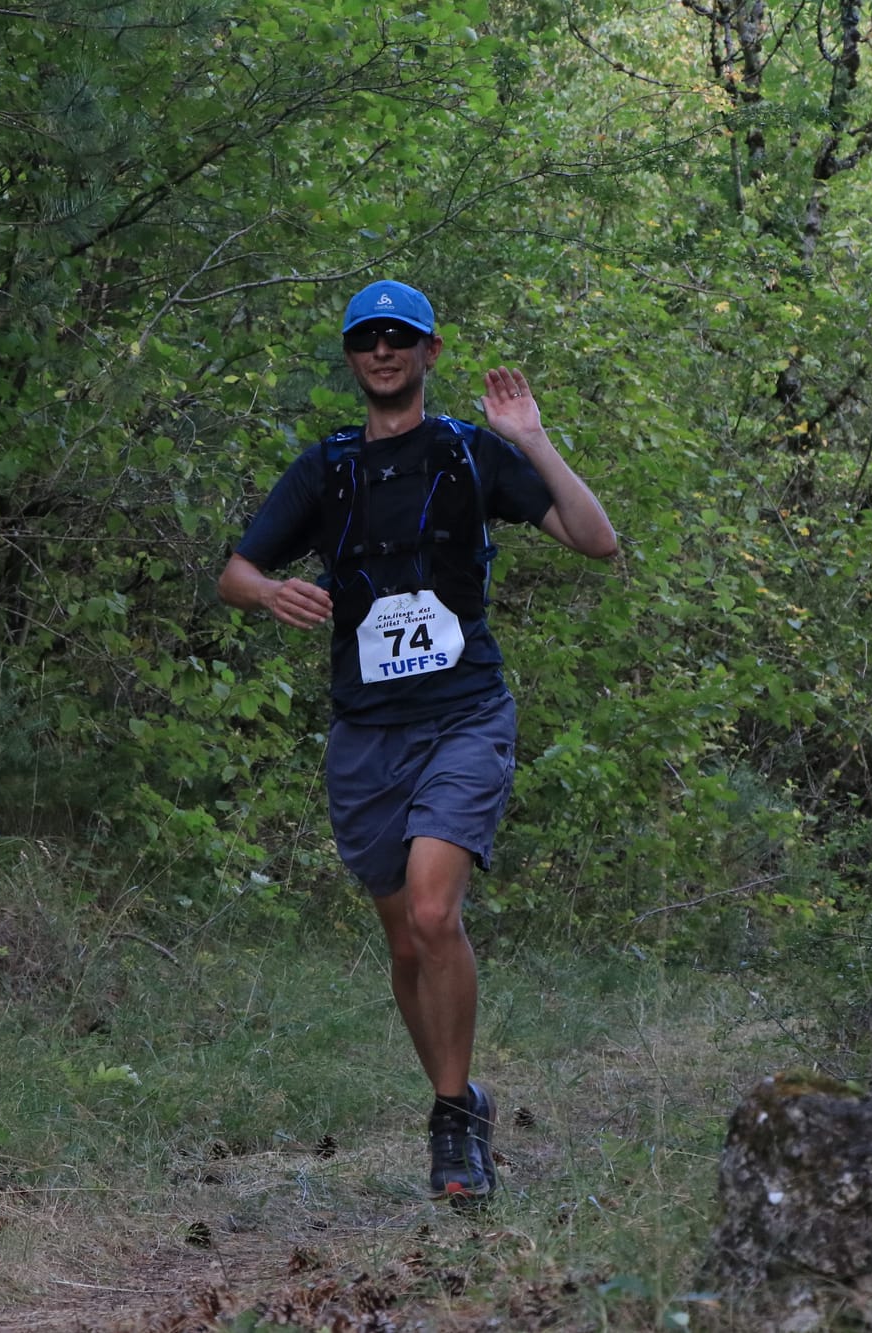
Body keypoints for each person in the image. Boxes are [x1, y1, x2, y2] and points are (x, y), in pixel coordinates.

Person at [218, 279, 616, 1203]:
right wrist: (271, 593)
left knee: (438, 915)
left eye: (401, 338)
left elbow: (596, 540)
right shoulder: (329, 467)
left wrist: (533, 439)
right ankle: (458, 1093)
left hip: (466, 714)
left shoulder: (474, 453)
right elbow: (237, 569)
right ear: (353, 357)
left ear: (430, 351)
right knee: (404, 941)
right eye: (368, 340)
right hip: (367, 733)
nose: (384, 352)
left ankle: (453, 1122)